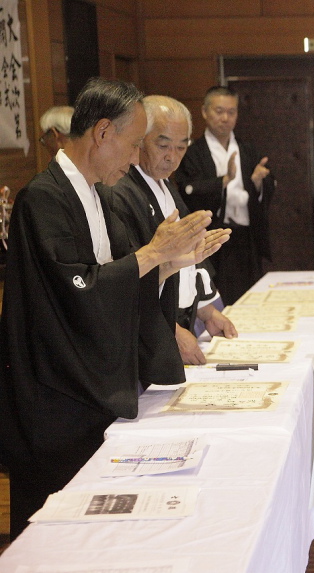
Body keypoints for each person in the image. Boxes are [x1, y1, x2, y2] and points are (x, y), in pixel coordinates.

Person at [0, 78, 230, 539]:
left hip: (95, 381)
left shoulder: (99, 194)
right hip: (57, 392)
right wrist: (155, 253)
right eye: (134, 143)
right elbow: (77, 290)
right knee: (52, 532)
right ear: (102, 132)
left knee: (98, 529)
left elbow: (124, 282)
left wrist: (171, 263)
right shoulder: (42, 198)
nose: (135, 156)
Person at [108, 95, 238, 365]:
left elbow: (188, 258)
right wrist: (172, 332)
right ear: (139, 138)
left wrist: (206, 310)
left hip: (178, 318)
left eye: (181, 147)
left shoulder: (165, 184)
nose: (172, 157)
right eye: (163, 145)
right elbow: (129, 276)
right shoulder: (120, 191)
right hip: (150, 331)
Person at [174, 85, 274, 305]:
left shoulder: (248, 150)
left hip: (247, 237)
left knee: (251, 300)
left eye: (231, 112)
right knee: (219, 299)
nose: (225, 118)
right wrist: (223, 181)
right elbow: (188, 191)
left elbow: (266, 190)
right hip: (212, 238)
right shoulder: (193, 152)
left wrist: (259, 183)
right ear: (204, 112)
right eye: (219, 111)